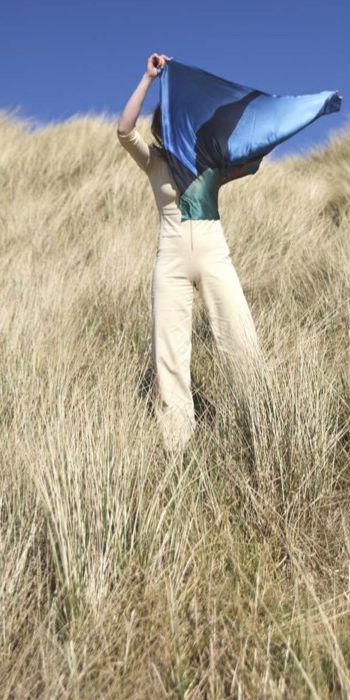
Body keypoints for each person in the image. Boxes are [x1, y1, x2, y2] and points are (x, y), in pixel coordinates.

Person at [117, 53, 262, 451]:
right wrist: (148, 79)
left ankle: (258, 423)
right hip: (171, 263)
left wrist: (289, 116)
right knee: (169, 352)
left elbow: (252, 151)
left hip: (214, 256)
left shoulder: (210, 163)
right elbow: (124, 130)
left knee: (240, 337)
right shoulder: (154, 163)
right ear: (163, 130)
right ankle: (177, 444)